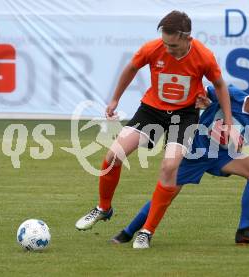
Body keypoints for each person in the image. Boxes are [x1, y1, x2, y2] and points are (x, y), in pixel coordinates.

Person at [110, 77, 249, 249]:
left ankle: (245, 231)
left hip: (222, 156)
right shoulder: (231, 94)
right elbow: (201, 92)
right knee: (167, 193)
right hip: (195, 152)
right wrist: (203, 101)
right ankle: (128, 232)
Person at [75, 11, 233, 235]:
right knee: (113, 156)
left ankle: (146, 231)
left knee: (169, 167)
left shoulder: (204, 56)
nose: (168, 49)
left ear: (188, 38)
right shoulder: (152, 48)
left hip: (184, 116)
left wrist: (227, 122)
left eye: (173, 45)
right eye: (165, 43)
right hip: (151, 111)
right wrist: (115, 99)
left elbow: (220, 85)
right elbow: (130, 68)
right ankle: (103, 207)